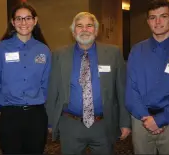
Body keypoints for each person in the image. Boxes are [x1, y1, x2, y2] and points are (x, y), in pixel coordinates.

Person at [46, 12, 131, 155]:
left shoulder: (113, 53)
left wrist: (125, 122)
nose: (84, 30)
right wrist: (50, 121)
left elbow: (122, 90)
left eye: (89, 26)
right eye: (79, 26)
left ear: (96, 31)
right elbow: (52, 89)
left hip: (103, 124)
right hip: (70, 124)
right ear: (73, 32)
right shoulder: (59, 55)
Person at [125, 0, 169, 155]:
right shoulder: (137, 51)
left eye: (163, 16)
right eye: (152, 17)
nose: (157, 22)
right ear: (148, 22)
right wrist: (146, 117)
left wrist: (160, 120)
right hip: (140, 121)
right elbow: (131, 89)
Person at [0, 2, 51, 154]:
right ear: (13, 22)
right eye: (19, 18)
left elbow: (46, 83)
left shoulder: (43, 50)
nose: (23, 22)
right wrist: (0, 107)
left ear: (35, 21)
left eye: (28, 18)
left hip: (36, 115)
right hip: (10, 114)